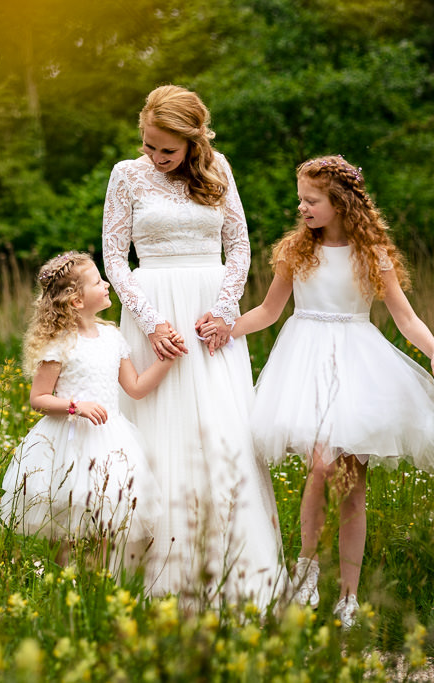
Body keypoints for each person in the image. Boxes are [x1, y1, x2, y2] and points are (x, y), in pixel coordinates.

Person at [229, 155, 434, 626]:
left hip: (357, 364)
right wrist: (224, 329)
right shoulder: (295, 251)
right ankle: (307, 570)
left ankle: (348, 596)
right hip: (305, 360)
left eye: (312, 200)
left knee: (352, 487)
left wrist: (433, 350)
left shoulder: (372, 254)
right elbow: (268, 312)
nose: (303, 207)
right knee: (320, 464)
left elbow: (404, 317)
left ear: (340, 202)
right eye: (301, 200)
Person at [103, 85, 284, 605]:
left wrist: (228, 311)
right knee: (157, 430)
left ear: (192, 141)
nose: (155, 157)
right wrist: (151, 320)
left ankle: (236, 573)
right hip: (152, 305)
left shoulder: (218, 168)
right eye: (148, 146)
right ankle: (156, 574)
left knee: (221, 430)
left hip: (210, 313)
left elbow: (240, 244)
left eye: (166, 149)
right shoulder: (126, 175)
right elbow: (115, 257)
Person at [0, 251, 175, 571]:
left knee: (105, 520)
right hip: (67, 441)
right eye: (97, 281)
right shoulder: (59, 344)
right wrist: (75, 406)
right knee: (66, 521)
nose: (107, 284)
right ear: (77, 301)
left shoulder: (111, 336)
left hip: (111, 440)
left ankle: (97, 584)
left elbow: (134, 387)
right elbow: (38, 397)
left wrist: (167, 360)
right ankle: (63, 580)